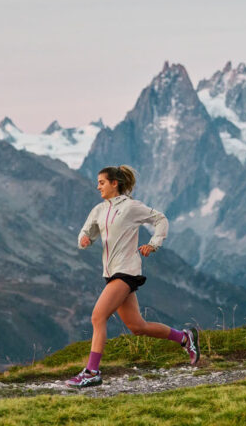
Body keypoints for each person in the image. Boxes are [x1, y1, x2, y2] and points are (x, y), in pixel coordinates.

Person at [65, 165, 199, 388]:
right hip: (111, 273)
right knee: (138, 327)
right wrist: (84, 240)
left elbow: (161, 219)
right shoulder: (98, 210)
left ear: (114, 183)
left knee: (98, 317)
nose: (98, 186)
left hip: (126, 272)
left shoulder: (130, 207)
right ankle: (185, 338)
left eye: (102, 182)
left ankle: (92, 372)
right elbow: (85, 233)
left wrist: (154, 243)